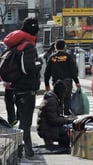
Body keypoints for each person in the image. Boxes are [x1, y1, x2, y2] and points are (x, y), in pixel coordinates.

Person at [3, 17, 42, 159]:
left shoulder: (16, 44)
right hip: (26, 89)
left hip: (16, 88)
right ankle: (22, 151)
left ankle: (26, 150)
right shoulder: (28, 46)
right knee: (25, 122)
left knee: (22, 121)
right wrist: (39, 63)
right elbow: (27, 69)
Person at [44, 39, 81, 116]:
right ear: (65, 47)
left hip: (56, 82)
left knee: (58, 98)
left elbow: (47, 72)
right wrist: (77, 82)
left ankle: (59, 114)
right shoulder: (68, 57)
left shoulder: (52, 57)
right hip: (67, 81)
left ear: (55, 47)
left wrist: (47, 84)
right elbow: (73, 71)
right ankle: (66, 112)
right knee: (67, 98)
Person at [37, 80, 75, 148]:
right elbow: (53, 120)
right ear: (60, 92)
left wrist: (66, 119)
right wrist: (67, 120)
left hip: (47, 127)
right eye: (64, 93)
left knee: (67, 129)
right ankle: (62, 148)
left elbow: (55, 116)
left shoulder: (53, 98)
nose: (64, 95)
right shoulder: (52, 101)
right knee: (68, 133)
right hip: (47, 130)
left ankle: (62, 147)